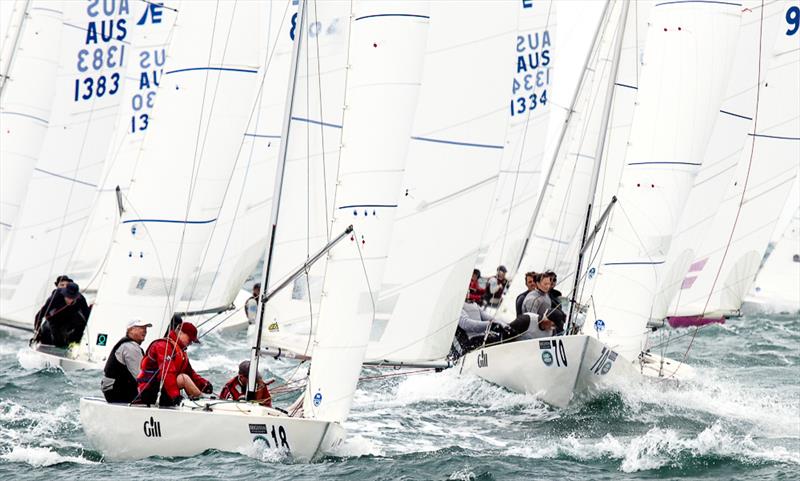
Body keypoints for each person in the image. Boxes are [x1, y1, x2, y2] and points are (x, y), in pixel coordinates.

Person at [136, 322, 213, 406]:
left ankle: (201, 402)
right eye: (190, 339)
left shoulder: (180, 350)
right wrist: (175, 396)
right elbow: (167, 372)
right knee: (183, 378)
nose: (191, 342)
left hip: (164, 390)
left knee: (185, 376)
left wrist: (204, 385)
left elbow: (190, 372)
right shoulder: (163, 346)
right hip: (149, 391)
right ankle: (202, 404)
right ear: (180, 333)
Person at [100, 320, 152, 403]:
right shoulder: (130, 347)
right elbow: (140, 376)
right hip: (116, 393)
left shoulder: (127, 344)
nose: (145, 331)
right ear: (130, 330)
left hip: (111, 390)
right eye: (141, 328)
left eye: (145, 328)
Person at [34, 282, 91, 347]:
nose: (69, 300)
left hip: (70, 317)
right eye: (67, 296)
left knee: (81, 324)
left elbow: (87, 315)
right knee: (58, 339)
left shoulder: (81, 299)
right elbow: (39, 315)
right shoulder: (56, 297)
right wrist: (37, 332)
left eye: (72, 297)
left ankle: (74, 343)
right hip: (55, 319)